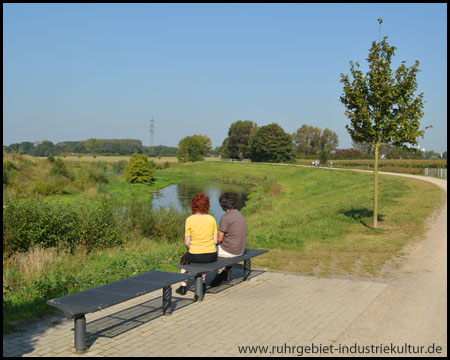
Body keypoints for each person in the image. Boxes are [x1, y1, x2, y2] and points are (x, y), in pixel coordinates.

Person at [175, 193, 218, 295]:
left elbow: (187, 243)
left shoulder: (190, 219)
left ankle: (183, 286)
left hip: (195, 254)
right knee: (202, 261)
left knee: (184, 260)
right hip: (211, 255)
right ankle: (202, 285)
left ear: (193, 205)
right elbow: (215, 241)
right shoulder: (212, 219)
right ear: (207, 205)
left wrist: (194, 246)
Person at [210, 192, 248, 287]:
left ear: (222, 205)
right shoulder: (239, 214)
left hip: (231, 251)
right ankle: (224, 270)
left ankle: (219, 273)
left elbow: (219, 240)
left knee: (209, 251)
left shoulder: (225, 218)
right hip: (241, 249)